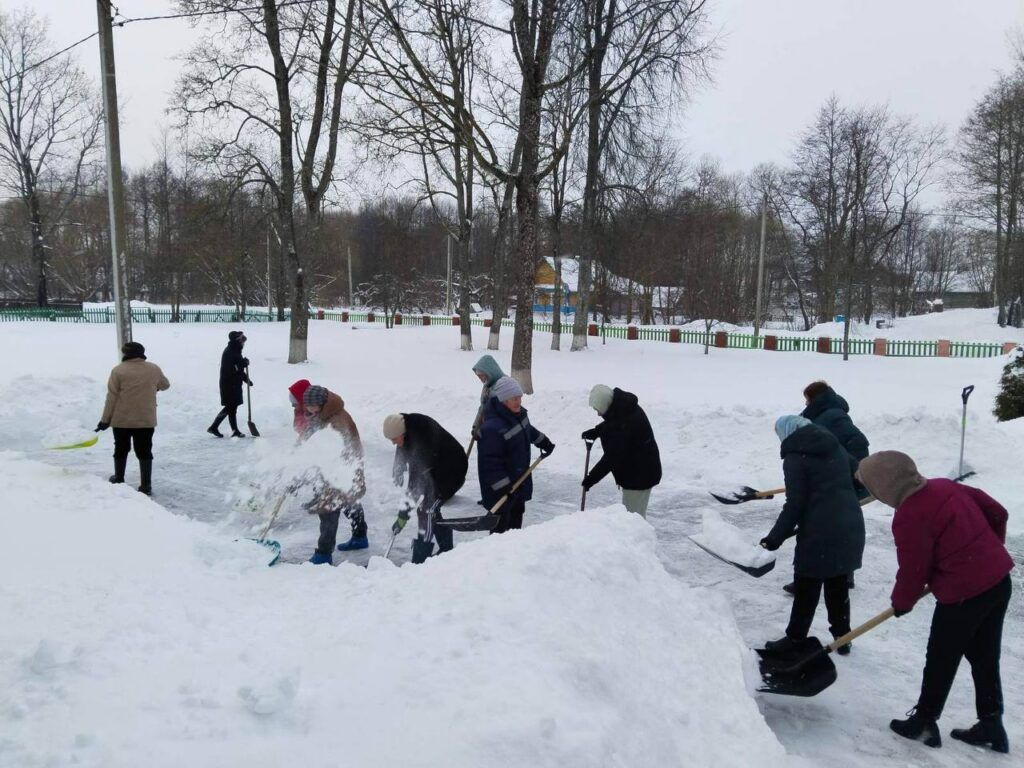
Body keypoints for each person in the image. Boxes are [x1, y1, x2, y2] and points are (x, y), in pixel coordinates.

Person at [857, 451, 1013, 753]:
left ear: (886, 487)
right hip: (997, 582)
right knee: (984, 655)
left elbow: (915, 570)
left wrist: (903, 602)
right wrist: (989, 551)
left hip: (964, 595)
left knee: (941, 656)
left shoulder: (910, 516)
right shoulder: (946, 486)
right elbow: (998, 512)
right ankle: (992, 724)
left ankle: (925, 721)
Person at [759, 415, 865, 656]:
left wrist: (774, 538)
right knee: (838, 584)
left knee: (807, 585)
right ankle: (842, 637)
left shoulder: (795, 457)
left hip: (820, 531)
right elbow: (860, 476)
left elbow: (795, 504)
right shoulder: (834, 445)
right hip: (850, 525)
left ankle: (795, 639)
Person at [384, 413, 468, 564]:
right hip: (437, 466)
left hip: (451, 472)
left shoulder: (421, 445)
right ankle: (446, 548)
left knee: (426, 510)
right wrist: (399, 464)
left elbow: (415, 486)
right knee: (430, 509)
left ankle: (421, 558)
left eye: (394, 440)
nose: (393, 443)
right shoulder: (405, 426)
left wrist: (403, 516)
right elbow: (403, 445)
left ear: (402, 433)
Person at [477, 376, 554, 533]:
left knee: (516, 527)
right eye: (514, 398)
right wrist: (503, 487)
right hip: (501, 492)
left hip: (519, 483)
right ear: (503, 400)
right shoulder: (492, 428)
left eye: (520, 397)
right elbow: (490, 464)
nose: (518, 401)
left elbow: (528, 430)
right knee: (501, 530)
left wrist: (543, 441)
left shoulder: (518, 415)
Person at [301, 384, 367, 564]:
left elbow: (340, 449)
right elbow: (308, 434)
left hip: (341, 469)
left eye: (311, 405)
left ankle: (323, 554)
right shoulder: (323, 414)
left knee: (328, 509)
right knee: (349, 501)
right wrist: (295, 453)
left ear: (321, 403)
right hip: (337, 469)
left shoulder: (337, 421)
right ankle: (360, 536)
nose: (308, 409)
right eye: (306, 405)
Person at [96, 341, 170, 496]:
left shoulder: (118, 371)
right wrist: (153, 387)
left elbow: (112, 397)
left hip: (122, 420)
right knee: (144, 451)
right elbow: (165, 385)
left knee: (121, 449)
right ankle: (146, 485)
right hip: (145, 419)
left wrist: (105, 420)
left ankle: (119, 478)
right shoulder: (153, 369)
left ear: (126, 354)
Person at [580, 384, 662, 517]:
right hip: (639, 469)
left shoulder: (624, 423)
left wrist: (591, 479)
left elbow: (611, 458)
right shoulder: (624, 407)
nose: (598, 413)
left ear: (606, 404)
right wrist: (596, 431)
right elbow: (613, 421)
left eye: (598, 409)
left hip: (640, 476)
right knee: (633, 517)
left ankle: (640, 538)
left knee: (634, 519)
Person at [208, 330, 252, 438]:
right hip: (229, 385)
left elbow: (239, 369)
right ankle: (217, 427)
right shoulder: (230, 352)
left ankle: (230, 430)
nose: (243, 343)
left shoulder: (235, 351)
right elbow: (231, 369)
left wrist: (246, 379)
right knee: (230, 407)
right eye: (242, 341)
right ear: (237, 341)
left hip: (234, 384)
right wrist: (243, 363)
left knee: (232, 407)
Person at [470, 354, 505, 442]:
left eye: (482, 375)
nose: (480, 379)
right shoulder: (487, 386)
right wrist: (476, 427)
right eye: (478, 376)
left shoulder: (505, 384)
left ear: (490, 371)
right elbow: (482, 408)